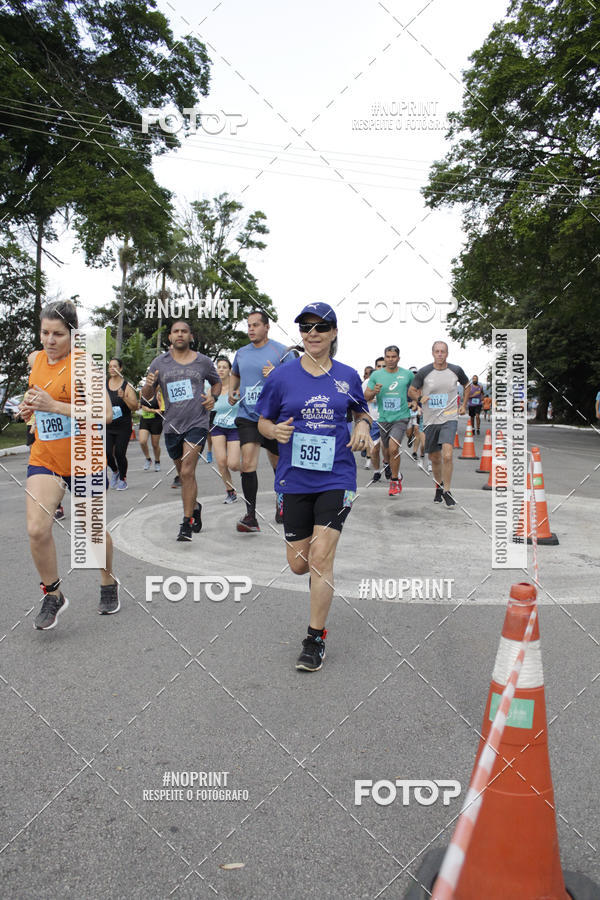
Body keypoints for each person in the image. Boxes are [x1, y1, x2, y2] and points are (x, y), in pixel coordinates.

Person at [256, 302, 372, 672]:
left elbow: (361, 411)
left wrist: (363, 426)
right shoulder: (282, 378)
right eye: (306, 327)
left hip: (337, 476)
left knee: (321, 558)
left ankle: (314, 638)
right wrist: (272, 431)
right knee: (299, 564)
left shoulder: (348, 376)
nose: (313, 333)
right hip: (295, 479)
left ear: (334, 333)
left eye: (321, 327)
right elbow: (262, 420)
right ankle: (315, 596)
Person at [20, 300, 119, 629]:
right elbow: (37, 398)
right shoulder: (36, 360)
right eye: (45, 332)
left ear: (72, 335)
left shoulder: (84, 366)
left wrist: (56, 406)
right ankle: (53, 594)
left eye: (58, 334)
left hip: (84, 458)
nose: (50, 340)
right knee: (37, 529)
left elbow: (104, 414)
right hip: (46, 457)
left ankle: (107, 581)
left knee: (91, 532)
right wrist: (29, 408)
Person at [142, 320, 220, 541]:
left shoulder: (203, 362)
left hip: (197, 422)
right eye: (175, 331)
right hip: (172, 425)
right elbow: (146, 397)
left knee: (187, 472)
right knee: (184, 474)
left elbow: (216, 383)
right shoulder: (159, 362)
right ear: (170, 337)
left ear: (190, 336)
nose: (180, 335)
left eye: (184, 331)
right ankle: (194, 506)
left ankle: (186, 523)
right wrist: (148, 384)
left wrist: (212, 397)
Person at [229, 310, 288, 532]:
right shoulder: (241, 353)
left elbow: (294, 377)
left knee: (278, 464)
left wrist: (276, 373)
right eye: (249, 325)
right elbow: (235, 373)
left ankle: (281, 502)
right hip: (248, 416)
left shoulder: (280, 351)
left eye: (255, 325)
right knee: (248, 464)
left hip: (273, 417)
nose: (251, 329)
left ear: (266, 327)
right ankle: (251, 516)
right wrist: (233, 389)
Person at [408, 341, 468, 508]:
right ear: (432, 353)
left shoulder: (456, 370)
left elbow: (467, 385)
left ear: (447, 353)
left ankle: (447, 492)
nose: (440, 354)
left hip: (449, 417)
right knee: (435, 458)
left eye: (443, 351)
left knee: (447, 455)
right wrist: (419, 399)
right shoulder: (424, 372)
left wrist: (463, 404)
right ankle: (438, 486)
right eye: (437, 351)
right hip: (430, 420)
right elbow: (411, 391)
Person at [365, 345, 413, 496]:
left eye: (394, 357)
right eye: (388, 356)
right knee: (386, 451)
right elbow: (366, 396)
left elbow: (415, 390)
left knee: (393, 448)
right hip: (384, 418)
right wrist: (374, 391)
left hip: (401, 417)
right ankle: (386, 463)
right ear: (384, 357)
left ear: (398, 358)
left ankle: (394, 480)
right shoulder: (376, 376)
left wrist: (415, 401)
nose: (391, 359)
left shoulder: (407, 374)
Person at [210, 356, 241, 503]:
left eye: (224, 367)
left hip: (235, 427)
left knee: (233, 464)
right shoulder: (212, 388)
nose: (221, 369)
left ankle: (247, 470)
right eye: (219, 367)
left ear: (230, 370)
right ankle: (230, 491)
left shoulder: (237, 387)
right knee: (221, 462)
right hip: (217, 426)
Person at [106, 358, 138, 490]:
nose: (112, 368)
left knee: (119, 453)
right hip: (107, 425)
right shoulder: (103, 384)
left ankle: (123, 479)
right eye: (110, 366)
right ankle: (115, 471)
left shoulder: (127, 386)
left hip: (123, 426)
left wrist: (124, 397)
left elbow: (135, 407)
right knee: (107, 453)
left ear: (120, 369)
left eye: (115, 366)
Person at [138, 384, 163, 471]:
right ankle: (148, 459)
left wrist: (150, 410)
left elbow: (162, 410)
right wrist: (140, 407)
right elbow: (139, 405)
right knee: (142, 441)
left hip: (156, 421)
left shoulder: (158, 395)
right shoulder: (141, 392)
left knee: (155, 444)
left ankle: (157, 461)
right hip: (144, 420)